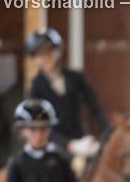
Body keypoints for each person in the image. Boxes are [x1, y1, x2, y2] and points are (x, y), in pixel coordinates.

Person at [27, 28, 109, 160]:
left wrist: (106, 134)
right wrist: (69, 144)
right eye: (40, 55)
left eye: (49, 52)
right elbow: (40, 125)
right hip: (53, 144)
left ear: (57, 52)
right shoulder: (36, 87)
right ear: (35, 58)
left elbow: (95, 106)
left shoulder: (76, 77)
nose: (45, 58)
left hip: (81, 137)